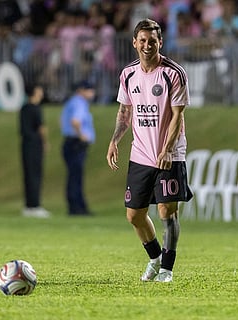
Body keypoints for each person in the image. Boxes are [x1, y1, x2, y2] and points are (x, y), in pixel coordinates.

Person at [106, 19, 192, 283]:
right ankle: (154, 258)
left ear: (160, 43)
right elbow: (125, 111)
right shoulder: (128, 74)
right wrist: (115, 140)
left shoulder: (173, 73)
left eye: (152, 41)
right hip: (140, 154)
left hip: (169, 154)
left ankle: (167, 268)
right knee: (134, 215)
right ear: (134, 43)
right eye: (142, 40)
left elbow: (178, 116)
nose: (147, 45)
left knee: (167, 212)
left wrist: (166, 150)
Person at [60, 80, 96, 216]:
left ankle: (76, 205)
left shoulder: (72, 102)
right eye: (89, 90)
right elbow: (75, 121)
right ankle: (77, 207)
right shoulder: (79, 103)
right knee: (76, 176)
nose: (92, 93)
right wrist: (82, 136)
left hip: (70, 142)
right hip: (76, 144)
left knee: (74, 176)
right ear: (81, 90)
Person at [19, 84, 50, 218]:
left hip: (26, 144)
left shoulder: (24, 108)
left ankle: (29, 205)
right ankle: (35, 205)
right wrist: (45, 142)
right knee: (35, 174)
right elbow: (41, 128)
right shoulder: (36, 108)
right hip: (35, 144)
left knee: (28, 174)